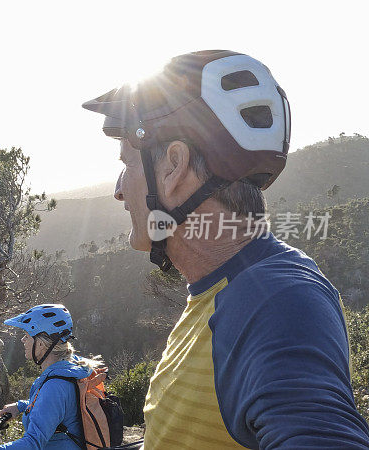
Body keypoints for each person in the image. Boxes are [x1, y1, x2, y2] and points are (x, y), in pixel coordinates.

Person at [82, 50, 369, 448]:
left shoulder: (278, 300)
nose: (117, 191)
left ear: (174, 166)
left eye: (127, 164)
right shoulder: (223, 290)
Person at [0, 304, 104, 449]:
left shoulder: (55, 385)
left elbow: (32, 444)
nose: (23, 340)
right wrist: (21, 406)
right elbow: (56, 404)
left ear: (41, 344)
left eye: (26, 335)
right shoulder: (72, 367)